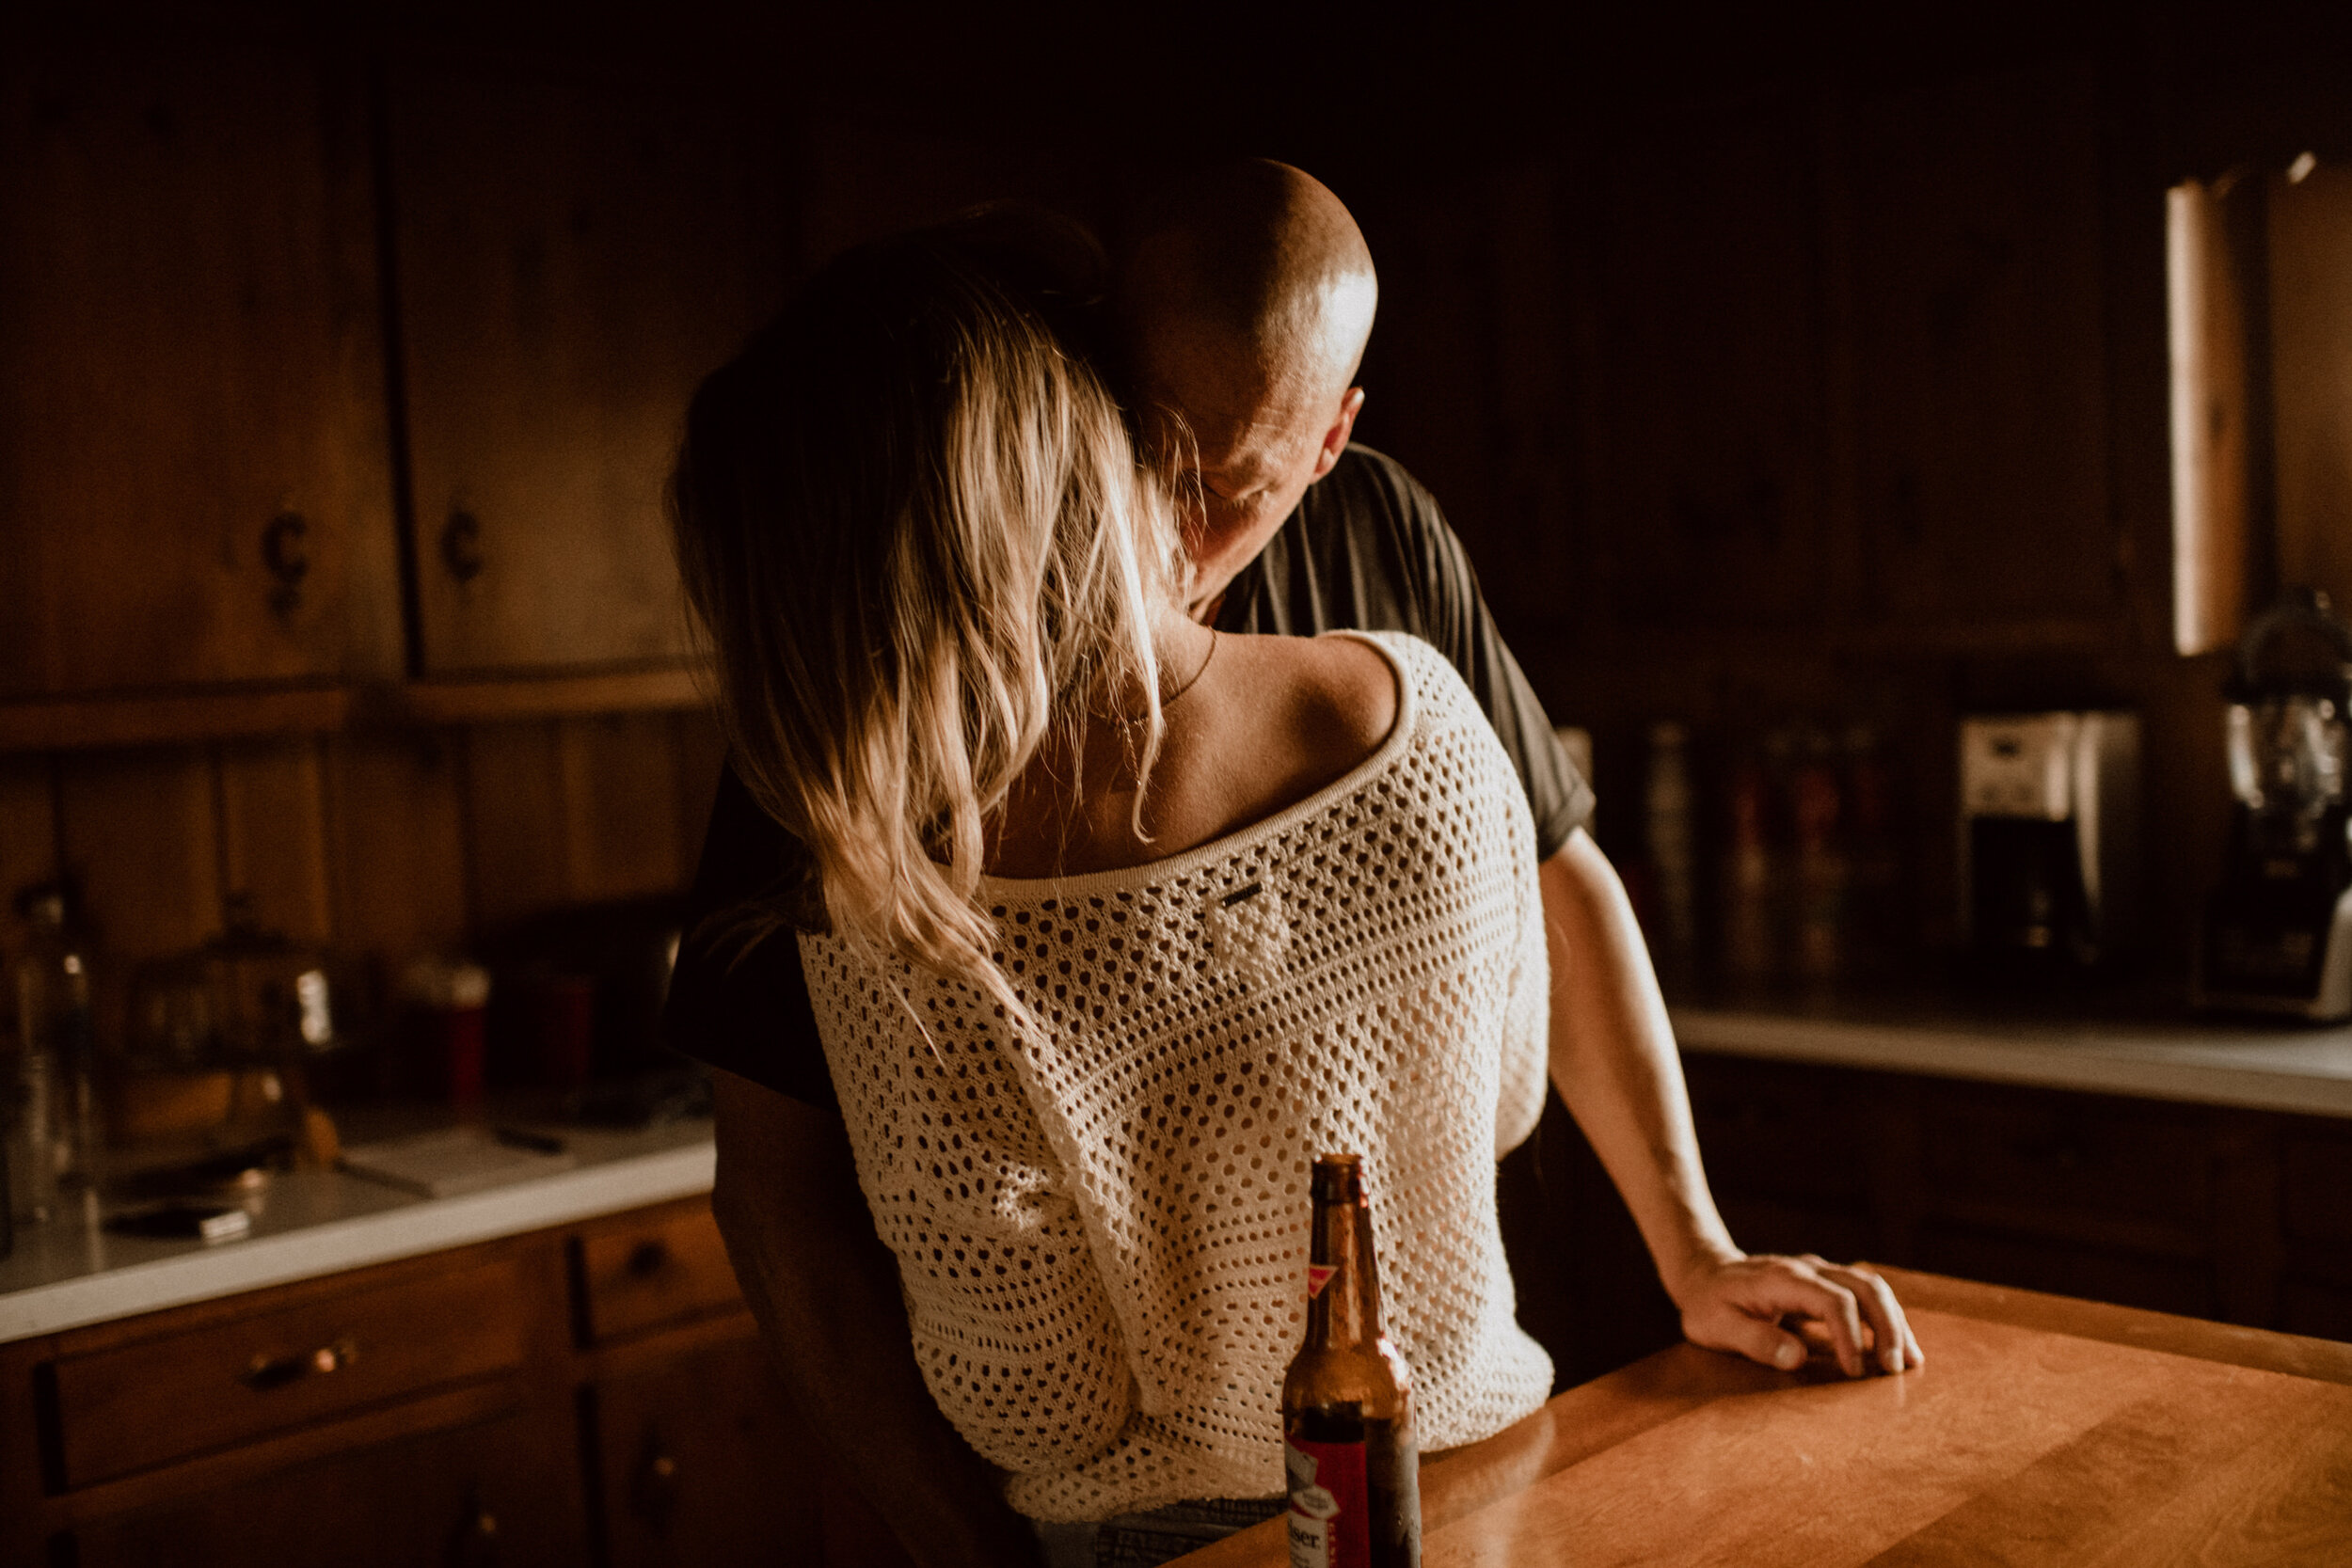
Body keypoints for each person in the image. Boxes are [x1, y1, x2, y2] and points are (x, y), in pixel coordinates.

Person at [671, 165, 1921, 1566]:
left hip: (1453, 1445)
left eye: (1234, 486)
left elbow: (1560, 881)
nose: (1174, 536)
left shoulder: (1387, 544)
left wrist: (1692, 1247)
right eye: (1148, 460)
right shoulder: (862, 701)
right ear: (1079, 420)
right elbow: (781, 1193)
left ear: (1330, 443)